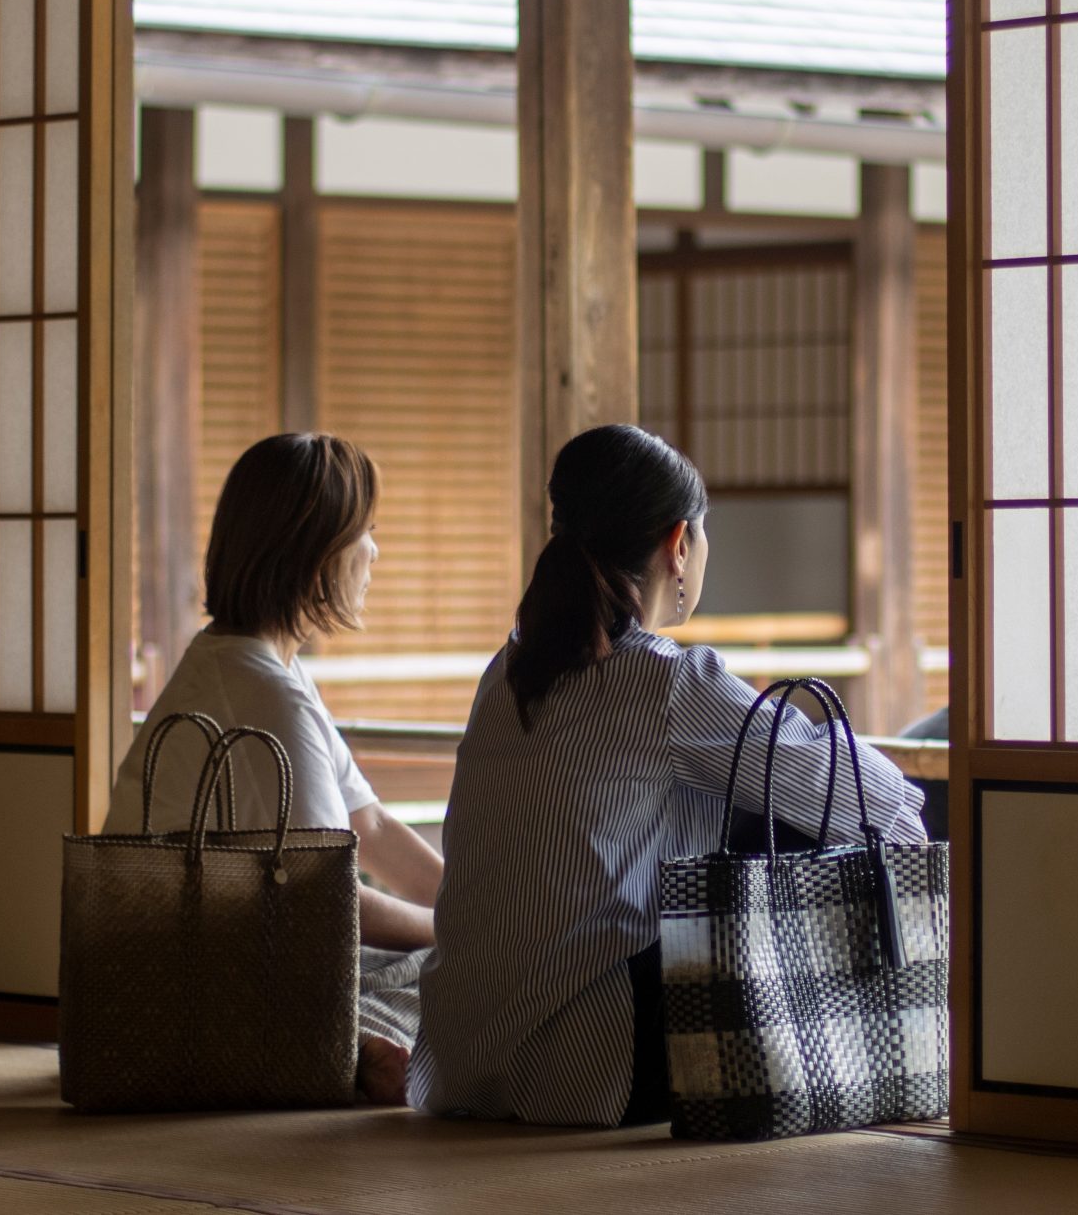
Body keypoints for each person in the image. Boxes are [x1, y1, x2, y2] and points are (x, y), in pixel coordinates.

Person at [409, 424, 927, 1127]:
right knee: (787, 814)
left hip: (457, 1061)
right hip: (584, 1069)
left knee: (739, 787)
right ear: (678, 543)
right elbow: (876, 809)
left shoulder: (506, 670)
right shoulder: (670, 680)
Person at [104, 432, 443, 1106]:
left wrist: (470, 906)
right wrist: (460, 930)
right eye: (366, 533)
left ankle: (357, 1042)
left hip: (194, 966)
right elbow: (328, 903)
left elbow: (368, 824)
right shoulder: (263, 691)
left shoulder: (251, 664)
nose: (375, 551)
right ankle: (349, 1047)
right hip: (195, 983)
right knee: (459, 975)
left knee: (449, 960)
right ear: (318, 554)